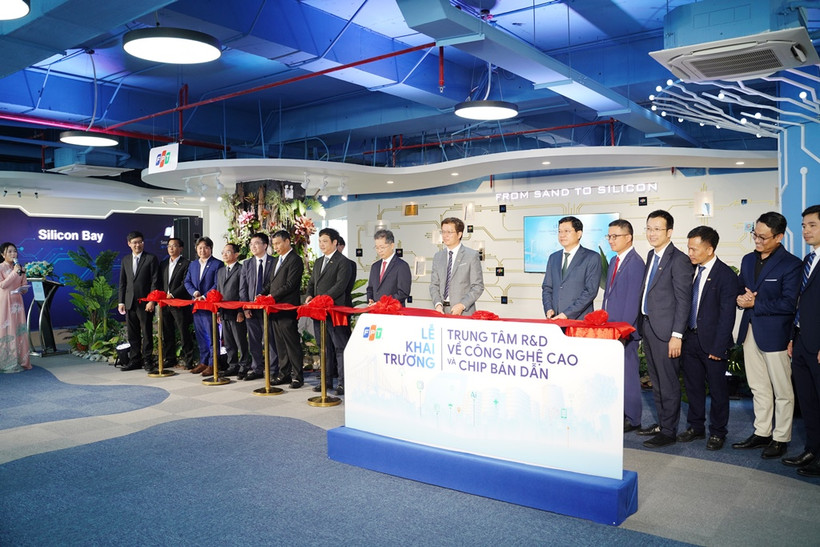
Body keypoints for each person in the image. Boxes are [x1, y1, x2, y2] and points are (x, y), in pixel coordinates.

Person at [733, 211, 802, 459]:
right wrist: (740, 299)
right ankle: (762, 432)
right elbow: (740, 288)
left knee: (782, 390)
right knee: (758, 386)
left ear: (779, 237)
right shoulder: (747, 260)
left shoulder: (791, 264)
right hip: (750, 331)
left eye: (763, 237)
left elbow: (789, 304)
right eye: (755, 234)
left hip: (776, 335)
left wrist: (755, 304)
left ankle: (781, 437)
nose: (757, 240)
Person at [677, 226, 737, 451]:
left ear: (710, 249)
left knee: (718, 391)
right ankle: (696, 427)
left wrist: (719, 347)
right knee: (693, 387)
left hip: (713, 344)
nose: (690, 253)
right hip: (690, 339)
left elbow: (727, 315)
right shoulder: (690, 270)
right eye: (689, 248)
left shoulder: (725, 275)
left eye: (694, 249)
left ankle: (718, 432)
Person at [636, 210, 692, 449]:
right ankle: (662, 423)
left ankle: (669, 431)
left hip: (667, 332)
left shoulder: (679, 260)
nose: (652, 233)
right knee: (656, 382)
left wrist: (677, 335)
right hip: (649, 326)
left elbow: (684, 301)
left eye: (657, 229)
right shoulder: (652, 255)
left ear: (669, 232)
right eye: (649, 228)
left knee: (668, 383)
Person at [784, 205, 820, 475]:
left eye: (812, 225)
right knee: (807, 403)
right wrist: (792, 337)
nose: (806, 231)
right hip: (801, 342)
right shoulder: (808, 259)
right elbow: (801, 303)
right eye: (804, 226)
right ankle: (812, 450)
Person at [601, 220, 644, 433]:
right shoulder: (613, 260)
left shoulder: (636, 263)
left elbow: (632, 301)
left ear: (628, 237)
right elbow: (608, 296)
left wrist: (623, 330)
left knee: (628, 375)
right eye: (609, 236)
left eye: (615, 236)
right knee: (615, 375)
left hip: (625, 331)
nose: (611, 240)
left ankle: (633, 418)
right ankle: (620, 413)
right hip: (610, 328)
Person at [305, 227, 353, 395]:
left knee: (339, 347)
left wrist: (322, 299)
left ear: (334, 242)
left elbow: (340, 286)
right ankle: (326, 381)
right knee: (323, 347)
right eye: (319, 241)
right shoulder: (319, 262)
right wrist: (310, 295)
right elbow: (312, 283)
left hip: (335, 311)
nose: (321, 244)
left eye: (325, 241)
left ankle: (343, 383)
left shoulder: (343, 262)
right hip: (319, 312)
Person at [541, 216, 601, 320]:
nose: (562, 235)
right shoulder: (553, 257)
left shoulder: (592, 257)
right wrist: (548, 308)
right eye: (559, 231)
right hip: (555, 318)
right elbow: (547, 287)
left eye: (567, 231)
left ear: (579, 234)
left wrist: (566, 314)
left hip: (579, 320)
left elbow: (590, 291)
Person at [117, 231, 159, 372]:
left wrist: (152, 300)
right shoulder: (125, 260)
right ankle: (135, 360)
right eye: (135, 242)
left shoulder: (151, 259)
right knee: (132, 333)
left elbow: (155, 282)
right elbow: (122, 282)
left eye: (140, 242)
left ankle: (148, 360)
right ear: (129, 244)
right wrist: (121, 302)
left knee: (147, 332)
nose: (138, 245)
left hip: (145, 303)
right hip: (130, 302)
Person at [268, 230, 305, 389]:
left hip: (287, 307)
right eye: (274, 244)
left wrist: (272, 296)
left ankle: (297, 376)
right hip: (275, 308)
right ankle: (284, 374)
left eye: (278, 243)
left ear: (287, 241)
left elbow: (290, 285)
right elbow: (271, 283)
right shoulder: (277, 260)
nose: (275, 247)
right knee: (280, 344)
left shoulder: (295, 260)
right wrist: (262, 294)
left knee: (291, 343)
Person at [239, 232, 277, 381]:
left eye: (256, 243)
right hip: (251, 309)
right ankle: (257, 369)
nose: (253, 246)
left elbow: (274, 284)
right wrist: (246, 307)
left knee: (270, 340)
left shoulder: (274, 262)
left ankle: (273, 369)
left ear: (265, 245)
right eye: (251, 244)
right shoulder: (247, 263)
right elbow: (243, 287)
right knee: (254, 340)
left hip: (268, 308)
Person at [184, 237, 224, 376]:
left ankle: (213, 364)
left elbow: (217, 284)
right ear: (196, 249)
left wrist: (204, 296)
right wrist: (195, 293)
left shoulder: (217, 264)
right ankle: (204, 362)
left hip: (210, 305)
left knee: (212, 336)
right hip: (197, 305)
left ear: (210, 249)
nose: (202, 250)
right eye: (200, 247)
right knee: (201, 336)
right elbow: (187, 281)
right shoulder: (193, 265)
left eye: (206, 247)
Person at [429, 217, 484, 315]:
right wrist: (438, 304)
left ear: (459, 234)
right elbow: (434, 285)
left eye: (449, 232)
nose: (445, 235)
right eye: (443, 232)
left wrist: (462, 305)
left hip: (464, 312)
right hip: (441, 312)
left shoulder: (471, 256)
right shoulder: (438, 256)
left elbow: (477, 286)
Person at [159, 238, 195, 370]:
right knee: (167, 331)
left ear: (181, 248)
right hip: (165, 303)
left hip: (179, 303)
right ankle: (170, 358)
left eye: (174, 246)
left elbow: (185, 283)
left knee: (183, 332)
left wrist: (173, 294)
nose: (171, 248)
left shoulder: (187, 263)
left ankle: (189, 360)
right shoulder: (163, 263)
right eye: (169, 246)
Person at [217, 243, 250, 377]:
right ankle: (232, 365)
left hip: (237, 311)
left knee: (240, 340)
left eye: (228, 252)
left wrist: (241, 310)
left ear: (236, 254)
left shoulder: (241, 269)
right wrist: (218, 311)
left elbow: (243, 291)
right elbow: (219, 291)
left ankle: (244, 366)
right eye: (223, 252)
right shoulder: (221, 271)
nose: (224, 255)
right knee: (228, 341)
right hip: (224, 311)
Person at [0, 242, 31, 373]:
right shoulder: (1, 267)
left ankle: (21, 360)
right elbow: (3, 285)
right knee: (7, 328)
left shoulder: (21, 268)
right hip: (5, 301)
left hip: (17, 302)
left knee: (19, 328)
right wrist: (14, 272)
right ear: (3, 254)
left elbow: (24, 284)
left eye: (15, 251)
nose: (13, 254)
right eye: (10, 251)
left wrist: (24, 289)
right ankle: (7, 362)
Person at [367, 229, 411, 305]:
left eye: (382, 247)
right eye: (377, 248)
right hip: (375, 310)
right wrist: (370, 299)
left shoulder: (401, 266)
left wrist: (383, 303)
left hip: (393, 310)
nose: (379, 251)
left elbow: (403, 293)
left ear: (392, 246)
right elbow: (370, 288)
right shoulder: (375, 266)